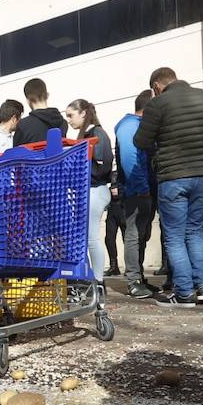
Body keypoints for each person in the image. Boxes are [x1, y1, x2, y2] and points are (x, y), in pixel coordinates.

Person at [135, 67, 203, 308]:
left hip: (173, 177)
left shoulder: (158, 104)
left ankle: (184, 293)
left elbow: (141, 141)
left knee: (174, 237)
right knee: (195, 232)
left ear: (156, 86)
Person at [64, 99, 115, 286]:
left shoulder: (96, 134)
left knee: (91, 237)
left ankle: (98, 280)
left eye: (71, 115)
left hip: (95, 190)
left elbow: (102, 166)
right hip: (91, 190)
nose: (69, 120)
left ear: (83, 113)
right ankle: (94, 279)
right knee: (87, 237)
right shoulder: (90, 134)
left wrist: (79, 172)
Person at [114, 90, 158, 299]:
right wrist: (142, 187)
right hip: (137, 190)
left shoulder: (132, 126)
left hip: (142, 188)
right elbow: (130, 159)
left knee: (141, 235)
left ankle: (138, 277)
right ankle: (133, 280)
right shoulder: (130, 126)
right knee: (134, 235)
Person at [14, 78, 68, 146]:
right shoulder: (63, 123)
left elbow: (15, 154)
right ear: (47, 95)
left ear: (28, 100)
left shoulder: (23, 125)